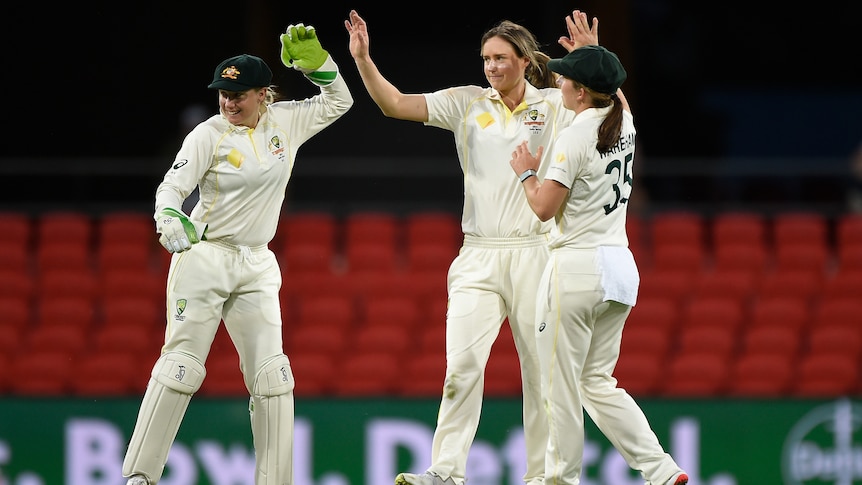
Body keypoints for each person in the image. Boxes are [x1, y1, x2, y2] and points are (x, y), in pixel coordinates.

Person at [344, 9, 596, 485]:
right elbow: (394, 104)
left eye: (501, 58)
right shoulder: (467, 103)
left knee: (542, 375)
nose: (492, 67)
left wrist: (588, 58)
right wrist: (363, 59)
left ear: (525, 60)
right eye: (485, 59)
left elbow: (610, 107)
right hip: (478, 253)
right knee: (460, 365)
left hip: (537, 251)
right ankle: (445, 471)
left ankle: (546, 478)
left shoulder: (555, 102)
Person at [122, 23, 353, 485]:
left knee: (273, 377)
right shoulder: (208, 134)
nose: (229, 102)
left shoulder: (285, 121)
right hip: (206, 256)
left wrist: (319, 66)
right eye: (223, 93)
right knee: (181, 366)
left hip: (257, 262)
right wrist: (168, 216)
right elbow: (173, 186)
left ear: (264, 94)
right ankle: (140, 476)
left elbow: (340, 102)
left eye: (239, 94)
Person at [508, 45, 689, 485]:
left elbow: (545, 209)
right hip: (619, 269)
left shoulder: (575, 136)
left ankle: (561, 480)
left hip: (576, 269)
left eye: (567, 77)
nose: (558, 81)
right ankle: (661, 469)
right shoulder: (622, 120)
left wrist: (526, 172)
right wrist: (593, 51)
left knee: (560, 387)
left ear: (583, 92)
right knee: (597, 383)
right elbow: (617, 96)